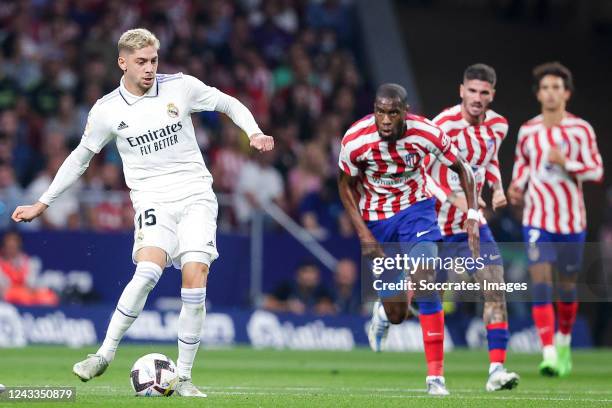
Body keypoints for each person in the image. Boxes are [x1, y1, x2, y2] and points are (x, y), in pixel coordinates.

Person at [11, 28, 274, 397]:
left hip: (196, 194)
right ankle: (103, 355)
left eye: (153, 60)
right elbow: (80, 159)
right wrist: (44, 202)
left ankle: (183, 377)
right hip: (152, 200)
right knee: (148, 270)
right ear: (122, 63)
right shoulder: (106, 110)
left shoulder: (180, 87)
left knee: (195, 273)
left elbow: (228, 102)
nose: (149, 68)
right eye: (141, 62)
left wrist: (254, 132)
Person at [337, 83, 480, 396]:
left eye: (392, 113)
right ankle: (383, 315)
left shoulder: (427, 133)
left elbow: (462, 169)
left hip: (417, 210)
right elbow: (345, 185)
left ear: (405, 111)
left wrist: (471, 214)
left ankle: (436, 378)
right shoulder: (355, 140)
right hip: (377, 219)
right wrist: (363, 233)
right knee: (397, 314)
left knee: (427, 281)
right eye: (380, 112)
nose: (385, 120)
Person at [426, 64, 519, 391]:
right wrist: (466, 205)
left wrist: (496, 188)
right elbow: (427, 174)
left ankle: (496, 371)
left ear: (492, 95)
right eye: (472, 91)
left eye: (484, 93)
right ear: (461, 90)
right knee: (418, 301)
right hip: (434, 226)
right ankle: (389, 310)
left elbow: (489, 160)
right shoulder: (441, 125)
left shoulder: (499, 126)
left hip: (471, 228)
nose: (477, 98)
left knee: (495, 289)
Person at [508, 62, 603, 377]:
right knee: (540, 283)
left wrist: (567, 163)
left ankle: (563, 342)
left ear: (567, 94)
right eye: (545, 88)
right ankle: (547, 352)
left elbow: (596, 170)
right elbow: (523, 163)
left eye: (556, 88)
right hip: (537, 218)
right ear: (539, 94)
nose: (550, 93)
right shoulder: (528, 130)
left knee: (566, 289)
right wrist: (516, 186)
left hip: (571, 222)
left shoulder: (580, 129)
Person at [0, 230, 59, 306]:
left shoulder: (30, 262)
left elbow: (31, 285)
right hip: (7, 295)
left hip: (27, 294)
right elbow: (4, 287)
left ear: (19, 246)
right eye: (9, 246)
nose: (12, 249)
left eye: (14, 246)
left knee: (49, 296)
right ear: (4, 247)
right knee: (19, 296)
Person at [262, 261, 335, 315]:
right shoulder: (287, 287)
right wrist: (287, 306)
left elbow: (336, 310)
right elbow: (268, 304)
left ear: (318, 276)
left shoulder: (323, 290)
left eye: (312, 273)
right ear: (298, 274)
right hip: (287, 328)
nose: (309, 276)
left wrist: (324, 309)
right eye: (306, 272)